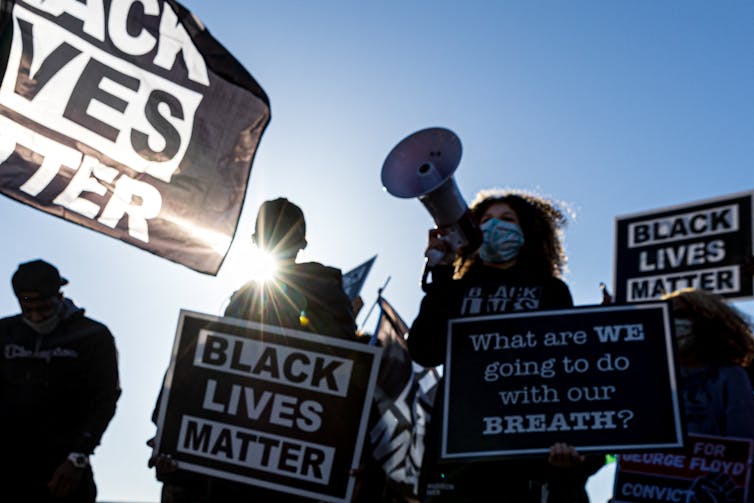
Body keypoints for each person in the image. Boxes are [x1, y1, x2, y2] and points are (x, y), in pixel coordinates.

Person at [150, 197, 362, 502]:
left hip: (286, 460)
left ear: (301, 243)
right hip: (235, 458)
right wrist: (172, 433)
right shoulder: (245, 296)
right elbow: (205, 364)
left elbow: (343, 367)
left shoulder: (324, 291)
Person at [407, 189, 602, 502]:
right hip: (458, 448)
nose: (494, 226)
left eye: (507, 219)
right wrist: (440, 272)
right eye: (485, 220)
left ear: (527, 232)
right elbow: (424, 350)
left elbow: (564, 366)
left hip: (522, 450)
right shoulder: (456, 290)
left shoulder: (550, 290)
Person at [0, 259, 120, 502]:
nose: (36, 317)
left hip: (63, 471)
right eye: (28, 309)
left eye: (43, 308)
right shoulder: (4, 332)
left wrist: (78, 456)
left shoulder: (93, 336)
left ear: (60, 295)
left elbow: (105, 399)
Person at [662, 288, 754, 440]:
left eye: (680, 314)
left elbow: (743, 440)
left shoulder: (729, 376)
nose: (672, 322)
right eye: (666, 316)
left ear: (704, 320)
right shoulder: (652, 377)